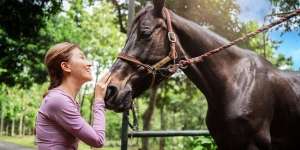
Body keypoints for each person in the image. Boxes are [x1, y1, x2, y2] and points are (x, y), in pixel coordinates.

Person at [35, 42, 110, 149]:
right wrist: (98, 99)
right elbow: (98, 140)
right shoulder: (58, 100)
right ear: (66, 66)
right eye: (82, 58)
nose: (89, 64)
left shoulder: (64, 99)